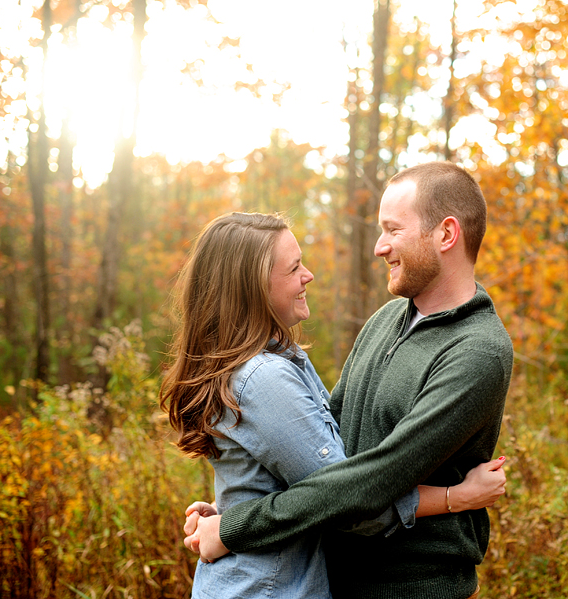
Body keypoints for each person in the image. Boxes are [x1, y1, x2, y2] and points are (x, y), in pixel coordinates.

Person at [185, 162, 514, 599]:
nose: (379, 247)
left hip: (409, 587)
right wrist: (238, 504)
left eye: (393, 230)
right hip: (329, 576)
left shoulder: (476, 352)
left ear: (446, 235)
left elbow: (371, 482)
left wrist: (236, 527)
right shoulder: (385, 321)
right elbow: (323, 444)